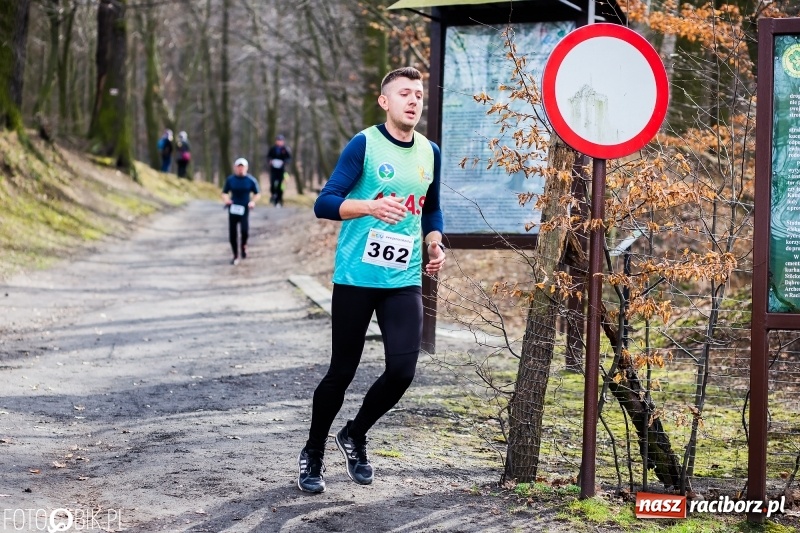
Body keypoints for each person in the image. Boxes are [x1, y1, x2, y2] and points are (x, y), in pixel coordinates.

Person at [297, 67, 445, 494]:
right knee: (342, 371)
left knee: (402, 370)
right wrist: (369, 207)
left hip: (402, 277)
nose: (414, 100)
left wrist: (434, 242)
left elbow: (431, 210)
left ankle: (355, 434)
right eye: (404, 93)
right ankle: (313, 453)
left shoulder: (429, 152)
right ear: (385, 102)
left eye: (418, 94)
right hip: (357, 277)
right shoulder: (365, 143)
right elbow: (324, 203)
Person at [221, 158, 261, 265]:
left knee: (244, 231)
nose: (240, 169)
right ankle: (235, 255)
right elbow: (224, 192)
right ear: (235, 168)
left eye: (242, 167)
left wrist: (253, 202)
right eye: (238, 167)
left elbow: (257, 193)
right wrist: (227, 200)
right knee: (232, 234)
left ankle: (243, 245)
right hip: (233, 208)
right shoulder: (230, 180)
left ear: (246, 168)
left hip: (244, 208)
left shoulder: (251, 180)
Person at [267, 134, 291, 207]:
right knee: (272, 183)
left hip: (281, 170)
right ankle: (273, 195)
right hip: (273, 169)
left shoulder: (285, 149)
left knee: (280, 185)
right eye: (278, 140)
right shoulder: (273, 149)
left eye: (280, 141)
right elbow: (268, 157)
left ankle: (279, 200)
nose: (279, 142)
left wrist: (284, 162)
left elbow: (289, 159)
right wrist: (270, 161)